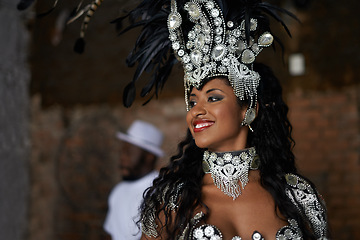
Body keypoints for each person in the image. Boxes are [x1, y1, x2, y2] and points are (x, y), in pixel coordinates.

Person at [112, 0, 330, 239]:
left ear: (248, 110)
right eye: (193, 102)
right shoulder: (172, 201)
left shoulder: (298, 195)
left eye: (213, 98)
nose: (197, 111)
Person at [103, 120, 164, 240]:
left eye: (129, 152)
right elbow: (111, 234)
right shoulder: (118, 190)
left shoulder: (160, 192)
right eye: (122, 152)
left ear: (149, 157)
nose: (122, 158)